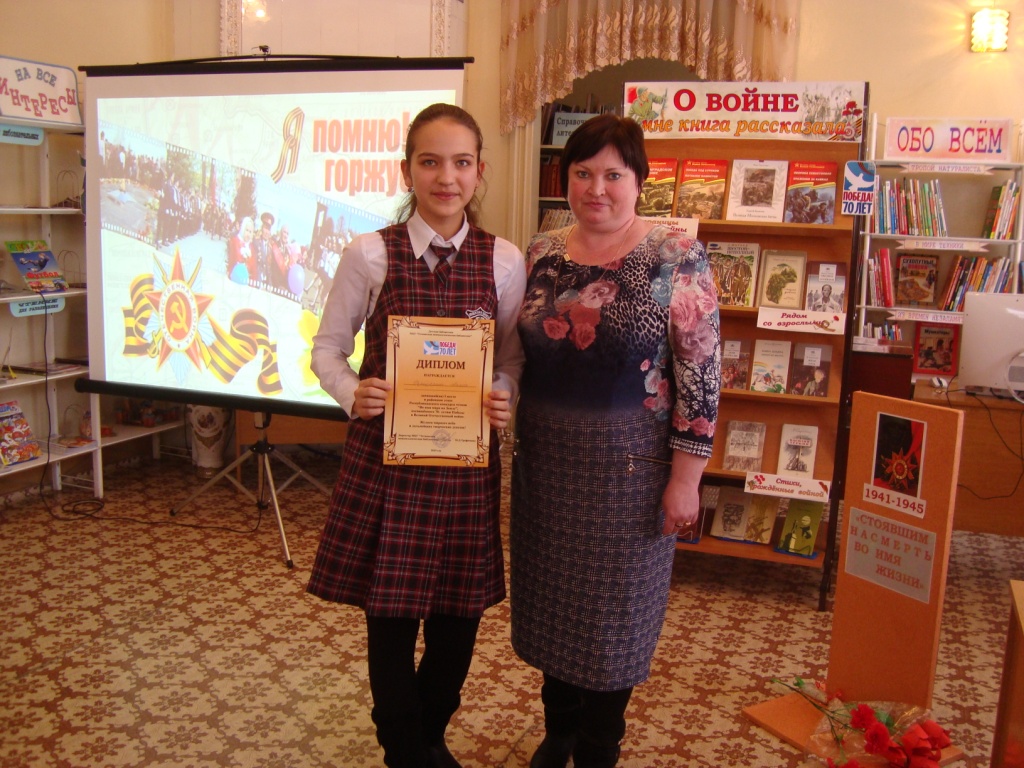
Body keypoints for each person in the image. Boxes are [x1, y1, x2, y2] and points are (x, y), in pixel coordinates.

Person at [306, 103, 527, 768]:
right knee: (392, 621)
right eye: (430, 162)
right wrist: (353, 393)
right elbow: (327, 350)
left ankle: (426, 737)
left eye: (461, 162)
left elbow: (511, 359)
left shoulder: (504, 260)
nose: (446, 177)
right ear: (407, 170)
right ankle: (406, 750)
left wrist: (503, 394)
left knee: (459, 624)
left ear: (480, 171)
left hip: (465, 471)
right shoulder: (369, 253)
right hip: (387, 468)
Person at [511, 113, 721, 768]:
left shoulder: (675, 254)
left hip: (630, 475)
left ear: (638, 181)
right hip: (547, 470)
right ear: (565, 179)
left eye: (612, 174)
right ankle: (559, 732)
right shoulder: (542, 250)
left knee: (614, 623)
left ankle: (600, 745)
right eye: (582, 173)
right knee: (554, 609)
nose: (595, 188)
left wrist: (685, 479)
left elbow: (702, 372)